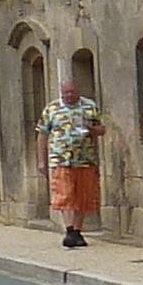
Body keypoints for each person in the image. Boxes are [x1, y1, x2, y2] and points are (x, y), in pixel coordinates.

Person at [40, 83, 107, 250]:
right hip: (61, 159)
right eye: (65, 92)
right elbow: (42, 134)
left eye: (72, 91)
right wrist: (42, 160)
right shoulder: (52, 108)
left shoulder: (89, 106)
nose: (69, 95)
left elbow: (102, 129)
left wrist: (91, 129)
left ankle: (77, 231)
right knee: (65, 194)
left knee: (82, 196)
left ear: (77, 91)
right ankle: (69, 230)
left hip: (85, 158)